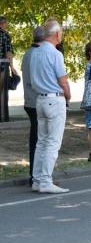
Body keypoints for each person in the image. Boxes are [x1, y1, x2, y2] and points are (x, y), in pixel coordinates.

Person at [28, 19, 71, 193]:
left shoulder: (34, 52)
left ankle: (37, 179)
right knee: (53, 143)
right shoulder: (55, 54)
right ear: (57, 34)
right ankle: (45, 180)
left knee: (42, 142)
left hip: (40, 99)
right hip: (55, 99)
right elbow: (63, 81)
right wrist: (68, 96)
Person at [21, 26, 45, 184]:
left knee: (37, 139)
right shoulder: (38, 54)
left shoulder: (28, 53)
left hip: (30, 101)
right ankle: (36, 176)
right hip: (37, 101)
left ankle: (37, 175)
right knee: (39, 141)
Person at [0, 15, 16, 122]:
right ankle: (2, 116)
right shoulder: (5, 35)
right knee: (2, 92)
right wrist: (12, 68)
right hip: (2, 67)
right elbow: (8, 53)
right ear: (2, 24)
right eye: (6, 24)